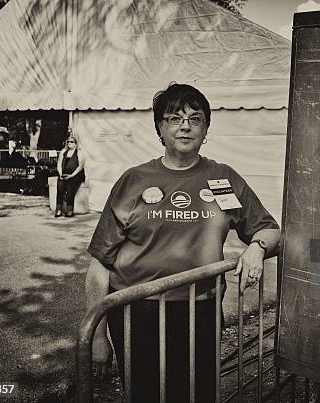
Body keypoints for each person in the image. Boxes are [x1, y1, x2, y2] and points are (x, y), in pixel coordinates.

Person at [85, 83, 280, 402]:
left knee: (197, 393)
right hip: (137, 314)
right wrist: (97, 336)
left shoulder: (223, 179)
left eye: (196, 118)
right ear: (159, 129)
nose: (186, 125)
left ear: (206, 129)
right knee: (145, 394)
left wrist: (257, 249)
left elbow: (270, 231)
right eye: (174, 118)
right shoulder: (134, 180)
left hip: (200, 313)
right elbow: (100, 263)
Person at [55, 134, 86, 217]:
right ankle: (59, 209)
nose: (69, 143)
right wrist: (61, 174)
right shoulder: (63, 151)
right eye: (68, 142)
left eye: (71, 142)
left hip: (76, 175)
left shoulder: (79, 152)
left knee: (70, 188)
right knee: (60, 187)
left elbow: (80, 166)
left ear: (75, 143)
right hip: (64, 174)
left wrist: (71, 175)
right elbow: (59, 164)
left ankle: (69, 210)